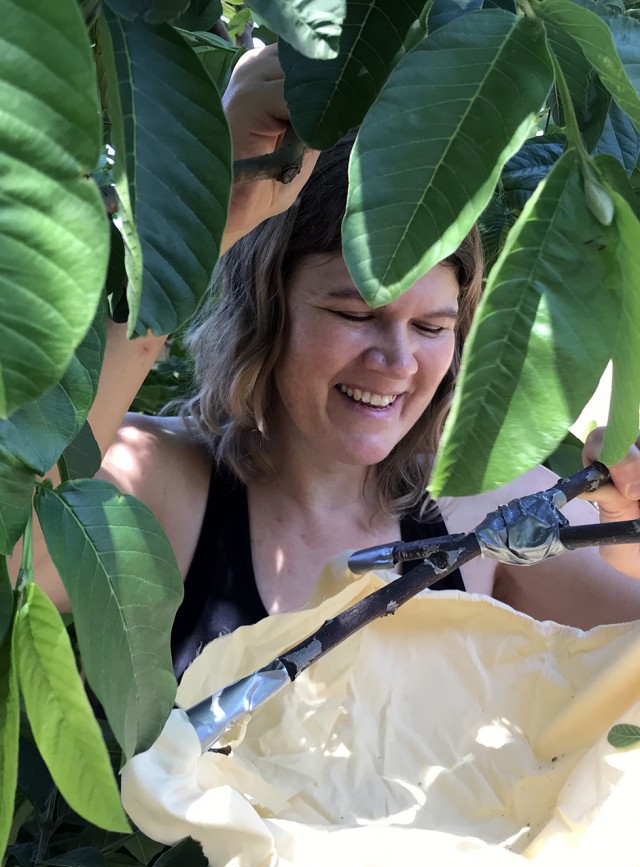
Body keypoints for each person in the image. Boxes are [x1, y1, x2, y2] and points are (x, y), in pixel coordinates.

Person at [13, 45, 640, 678]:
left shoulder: (483, 505)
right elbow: (12, 553)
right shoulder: (161, 485)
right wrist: (208, 220)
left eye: (431, 326)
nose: (397, 361)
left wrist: (632, 538)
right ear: (267, 310)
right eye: (354, 314)